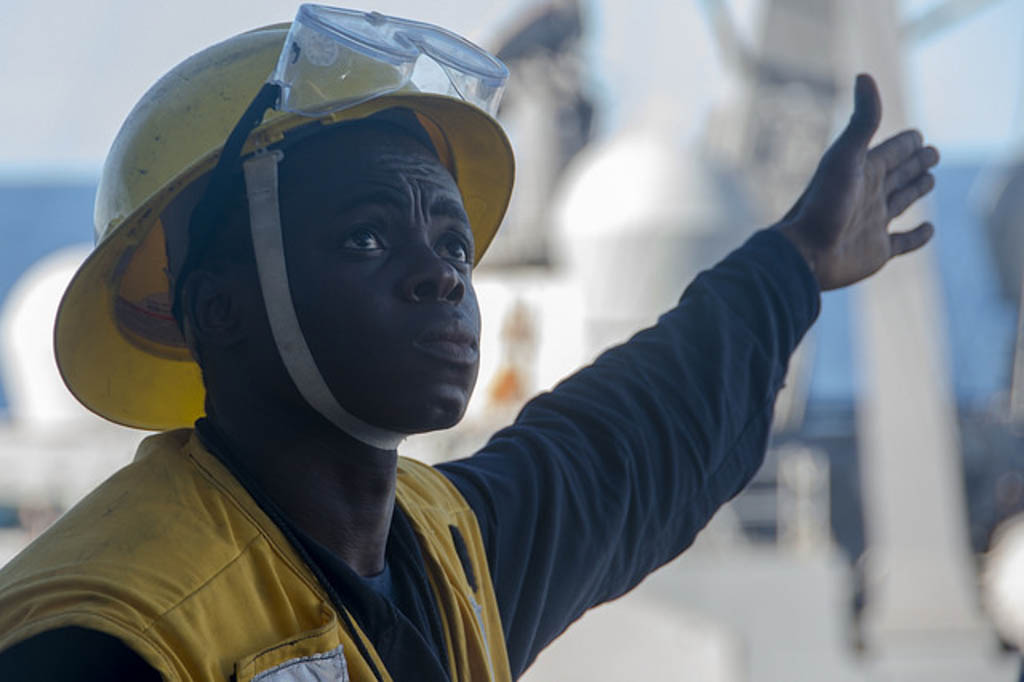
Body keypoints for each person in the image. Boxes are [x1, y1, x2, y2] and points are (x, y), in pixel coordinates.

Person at [0, 6, 939, 681]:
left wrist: (795, 260)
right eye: (367, 236)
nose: (441, 275)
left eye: (452, 241)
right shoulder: (108, 637)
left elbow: (629, 445)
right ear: (219, 309)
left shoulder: (439, 554)